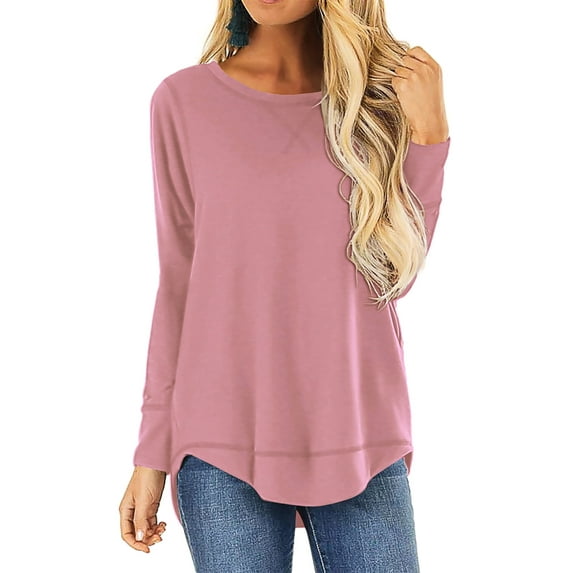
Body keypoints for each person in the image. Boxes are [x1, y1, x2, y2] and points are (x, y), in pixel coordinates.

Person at [119, 0, 450, 571]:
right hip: (221, 437)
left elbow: (389, 278)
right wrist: (151, 452)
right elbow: (178, 282)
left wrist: (430, 137)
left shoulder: (382, 102)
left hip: (359, 431)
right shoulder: (182, 101)